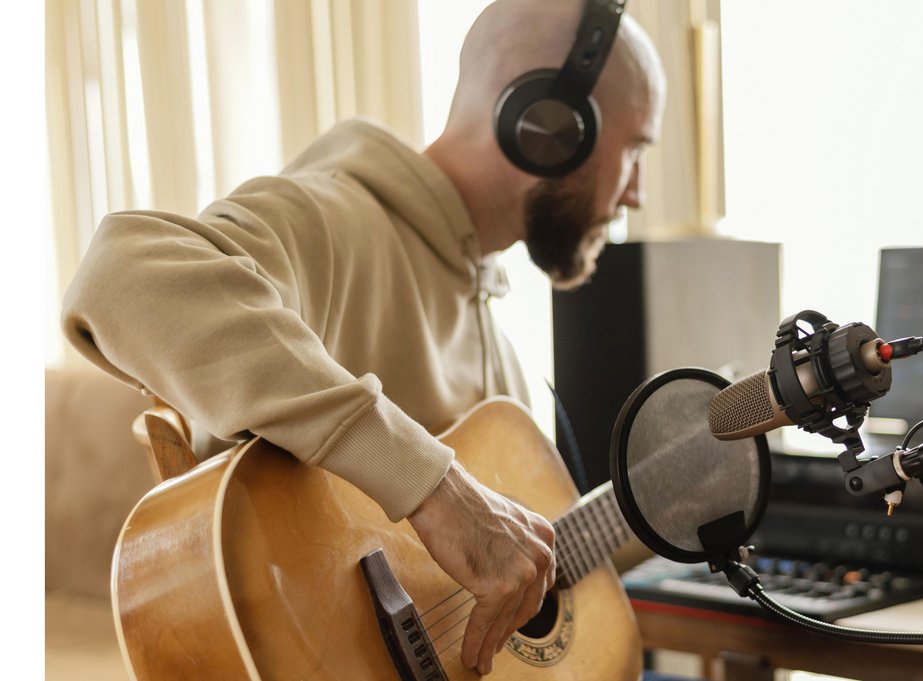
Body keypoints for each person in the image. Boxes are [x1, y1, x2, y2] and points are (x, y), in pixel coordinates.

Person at [60, 0, 666, 675]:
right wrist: (438, 488)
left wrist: (678, 498)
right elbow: (121, 273)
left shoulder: (507, 355)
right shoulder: (334, 222)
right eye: (636, 147)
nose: (636, 192)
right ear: (551, 126)